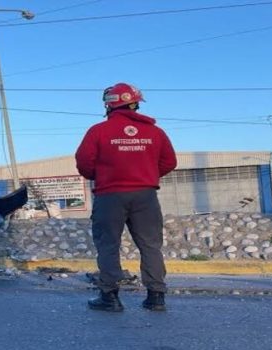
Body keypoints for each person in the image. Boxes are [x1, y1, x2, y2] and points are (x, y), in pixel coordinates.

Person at [75, 82, 177, 312]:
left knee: (109, 245)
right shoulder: (155, 132)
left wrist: (102, 175)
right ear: (135, 103)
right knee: (151, 246)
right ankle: (156, 297)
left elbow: (84, 163)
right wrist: (145, 175)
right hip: (146, 196)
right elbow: (169, 162)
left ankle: (110, 298)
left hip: (110, 196)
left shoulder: (98, 131)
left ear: (109, 104)